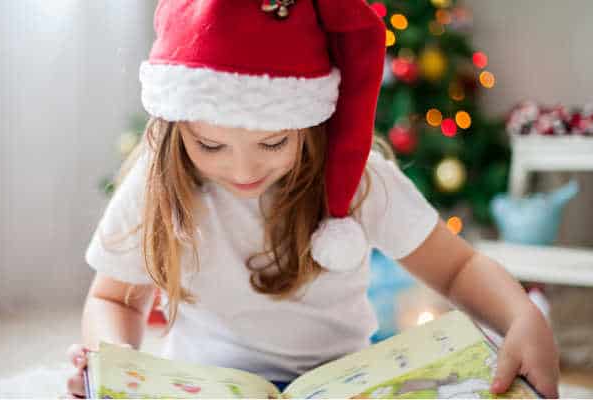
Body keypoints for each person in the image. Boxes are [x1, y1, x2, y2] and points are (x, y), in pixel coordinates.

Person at [66, 0, 559, 398]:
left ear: (311, 122)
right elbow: (114, 300)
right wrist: (112, 369)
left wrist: (521, 317)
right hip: (204, 383)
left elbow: (456, 269)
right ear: (176, 130)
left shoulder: (360, 179)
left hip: (343, 383)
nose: (243, 170)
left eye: (273, 143)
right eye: (210, 145)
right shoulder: (159, 179)